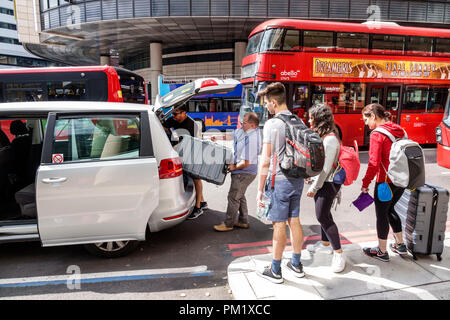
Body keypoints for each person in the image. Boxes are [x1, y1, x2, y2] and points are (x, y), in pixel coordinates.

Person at [256, 82, 305, 283]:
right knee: (294, 220)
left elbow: (265, 159)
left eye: (267, 103)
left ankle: (275, 270)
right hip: (298, 179)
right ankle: (296, 263)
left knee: (278, 225)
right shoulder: (299, 120)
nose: (266, 106)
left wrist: (259, 190)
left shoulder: (272, 124)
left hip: (280, 181)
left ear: (274, 102)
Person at [360, 103, 407, 262]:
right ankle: (400, 244)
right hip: (401, 180)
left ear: (373, 116)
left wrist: (365, 183)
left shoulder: (377, 134)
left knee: (381, 215)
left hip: (385, 182)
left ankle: (381, 251)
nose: (366, 124)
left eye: (366, 119)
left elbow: (373, 163)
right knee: (390, 209)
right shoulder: (399, 129)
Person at [305, 104, 346, 273]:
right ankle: (325, 243)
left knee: (323, 216)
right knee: (325, 214)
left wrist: (314, 187)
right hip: (325, 182)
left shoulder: (329, 140)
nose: (308, 120)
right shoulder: (326, 136)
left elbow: (325, 169)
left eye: (311, 117)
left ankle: (338, 254)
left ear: (319, 119)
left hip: (327, 183)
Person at [212, 112, 261, 232]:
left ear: (253, 125)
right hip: (241, 170)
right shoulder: (242, 131)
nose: (241, 125)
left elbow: (246, 162)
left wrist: (233, 167)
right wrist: (217, 137)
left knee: (233, 196)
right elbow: (231, 135)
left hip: (245, 172)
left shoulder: (253, 138)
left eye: (244, 123)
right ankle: (243, 221)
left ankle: (228, 224)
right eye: (241, 122)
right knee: (240, 195)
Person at [162, 105, 207, 219]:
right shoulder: (173, 119)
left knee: (196, 179)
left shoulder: (191, 125)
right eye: (173, 114)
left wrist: (174, 146)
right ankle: (202, 201)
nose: (174, 117)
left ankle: (198, 208)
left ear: (184, 113)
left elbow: (191, 144)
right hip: (182, 151)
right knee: (191, 178)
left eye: (176, 114)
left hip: (195, 151)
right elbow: (163, 127)